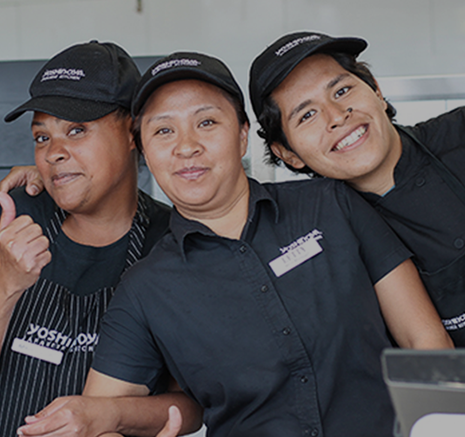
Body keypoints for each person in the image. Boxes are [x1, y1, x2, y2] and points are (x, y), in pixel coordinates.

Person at [16, 51, 452, 437]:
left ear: (242, 134)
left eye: (207, 122)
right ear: (144, 152)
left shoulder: (331, 205)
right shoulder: (144, 288)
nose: (187, 147)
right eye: (163, 131)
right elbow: (97, 418)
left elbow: (422, 338)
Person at [0, 41, 201, 436]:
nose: (54, 152)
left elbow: (191, 404)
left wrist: (103, 415)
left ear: (133, 132)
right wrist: (6, 285)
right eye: (42, 137)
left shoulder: (174, 243)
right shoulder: (12, 217)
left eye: (76, 130)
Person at [249, 31, 465, 346]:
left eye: (342, 90)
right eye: (307, 115)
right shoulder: (317, 232)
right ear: (287, 153)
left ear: (376, 89)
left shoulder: (459, 139)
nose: (337, 117)